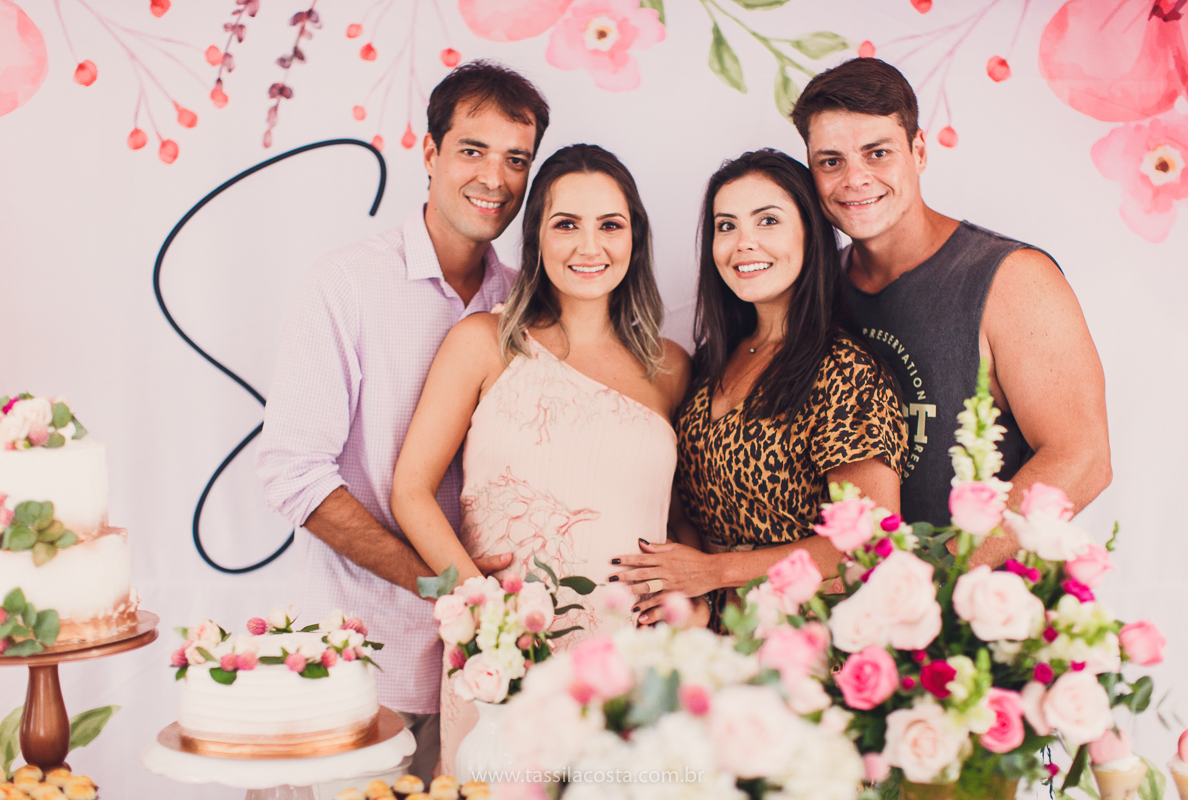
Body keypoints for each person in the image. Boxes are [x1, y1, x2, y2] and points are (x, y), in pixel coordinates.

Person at [255, 60, 550, 783]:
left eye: (517, 160)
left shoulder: (525, 305)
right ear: (429, 153)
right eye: (473, 150)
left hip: (481, 677)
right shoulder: (347, 285)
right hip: (356, 666)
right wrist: (441, 586)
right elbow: (293, 477)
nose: (495, 178)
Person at [390, 143, 690, 773]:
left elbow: (681, 512)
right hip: (504, 655)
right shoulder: (483, 343)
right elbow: (411, 490)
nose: (590, 246)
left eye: (610, 225)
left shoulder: (670, 368)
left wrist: (691, 597)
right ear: (535, 239)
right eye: (566, 224)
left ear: (635, 237)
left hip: (631, 662)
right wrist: (482, 610)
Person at [790, 58, 1111, 566]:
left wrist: (941, 581)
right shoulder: (811, 287)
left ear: (918, 151)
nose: (854, 179)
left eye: (878, 153)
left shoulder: (1010, 277)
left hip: (971, 625)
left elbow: (1081, 458)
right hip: (839, 618)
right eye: (830, 161)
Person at [611, 149, 908, 626]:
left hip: (808, 642)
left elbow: (870, 542)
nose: (742, 243)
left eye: (767, 221)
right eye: (726, 226)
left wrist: (715, 571)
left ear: (811, 235)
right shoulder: (711, 361)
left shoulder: (844, 371)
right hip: (714, 643)